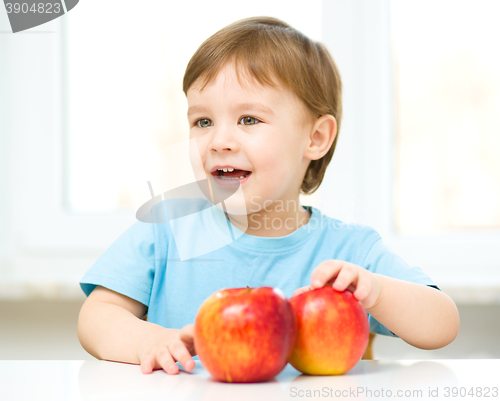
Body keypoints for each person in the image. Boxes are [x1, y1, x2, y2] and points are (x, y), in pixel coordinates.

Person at [77, 16, 460, 376]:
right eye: (203, 122)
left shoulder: (349, 253)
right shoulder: (166, 229)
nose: (219, 141)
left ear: (315, 138)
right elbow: (96, 316)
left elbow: (442, 324)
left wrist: (376, 291)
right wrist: (146, 340)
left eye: (249, 119)